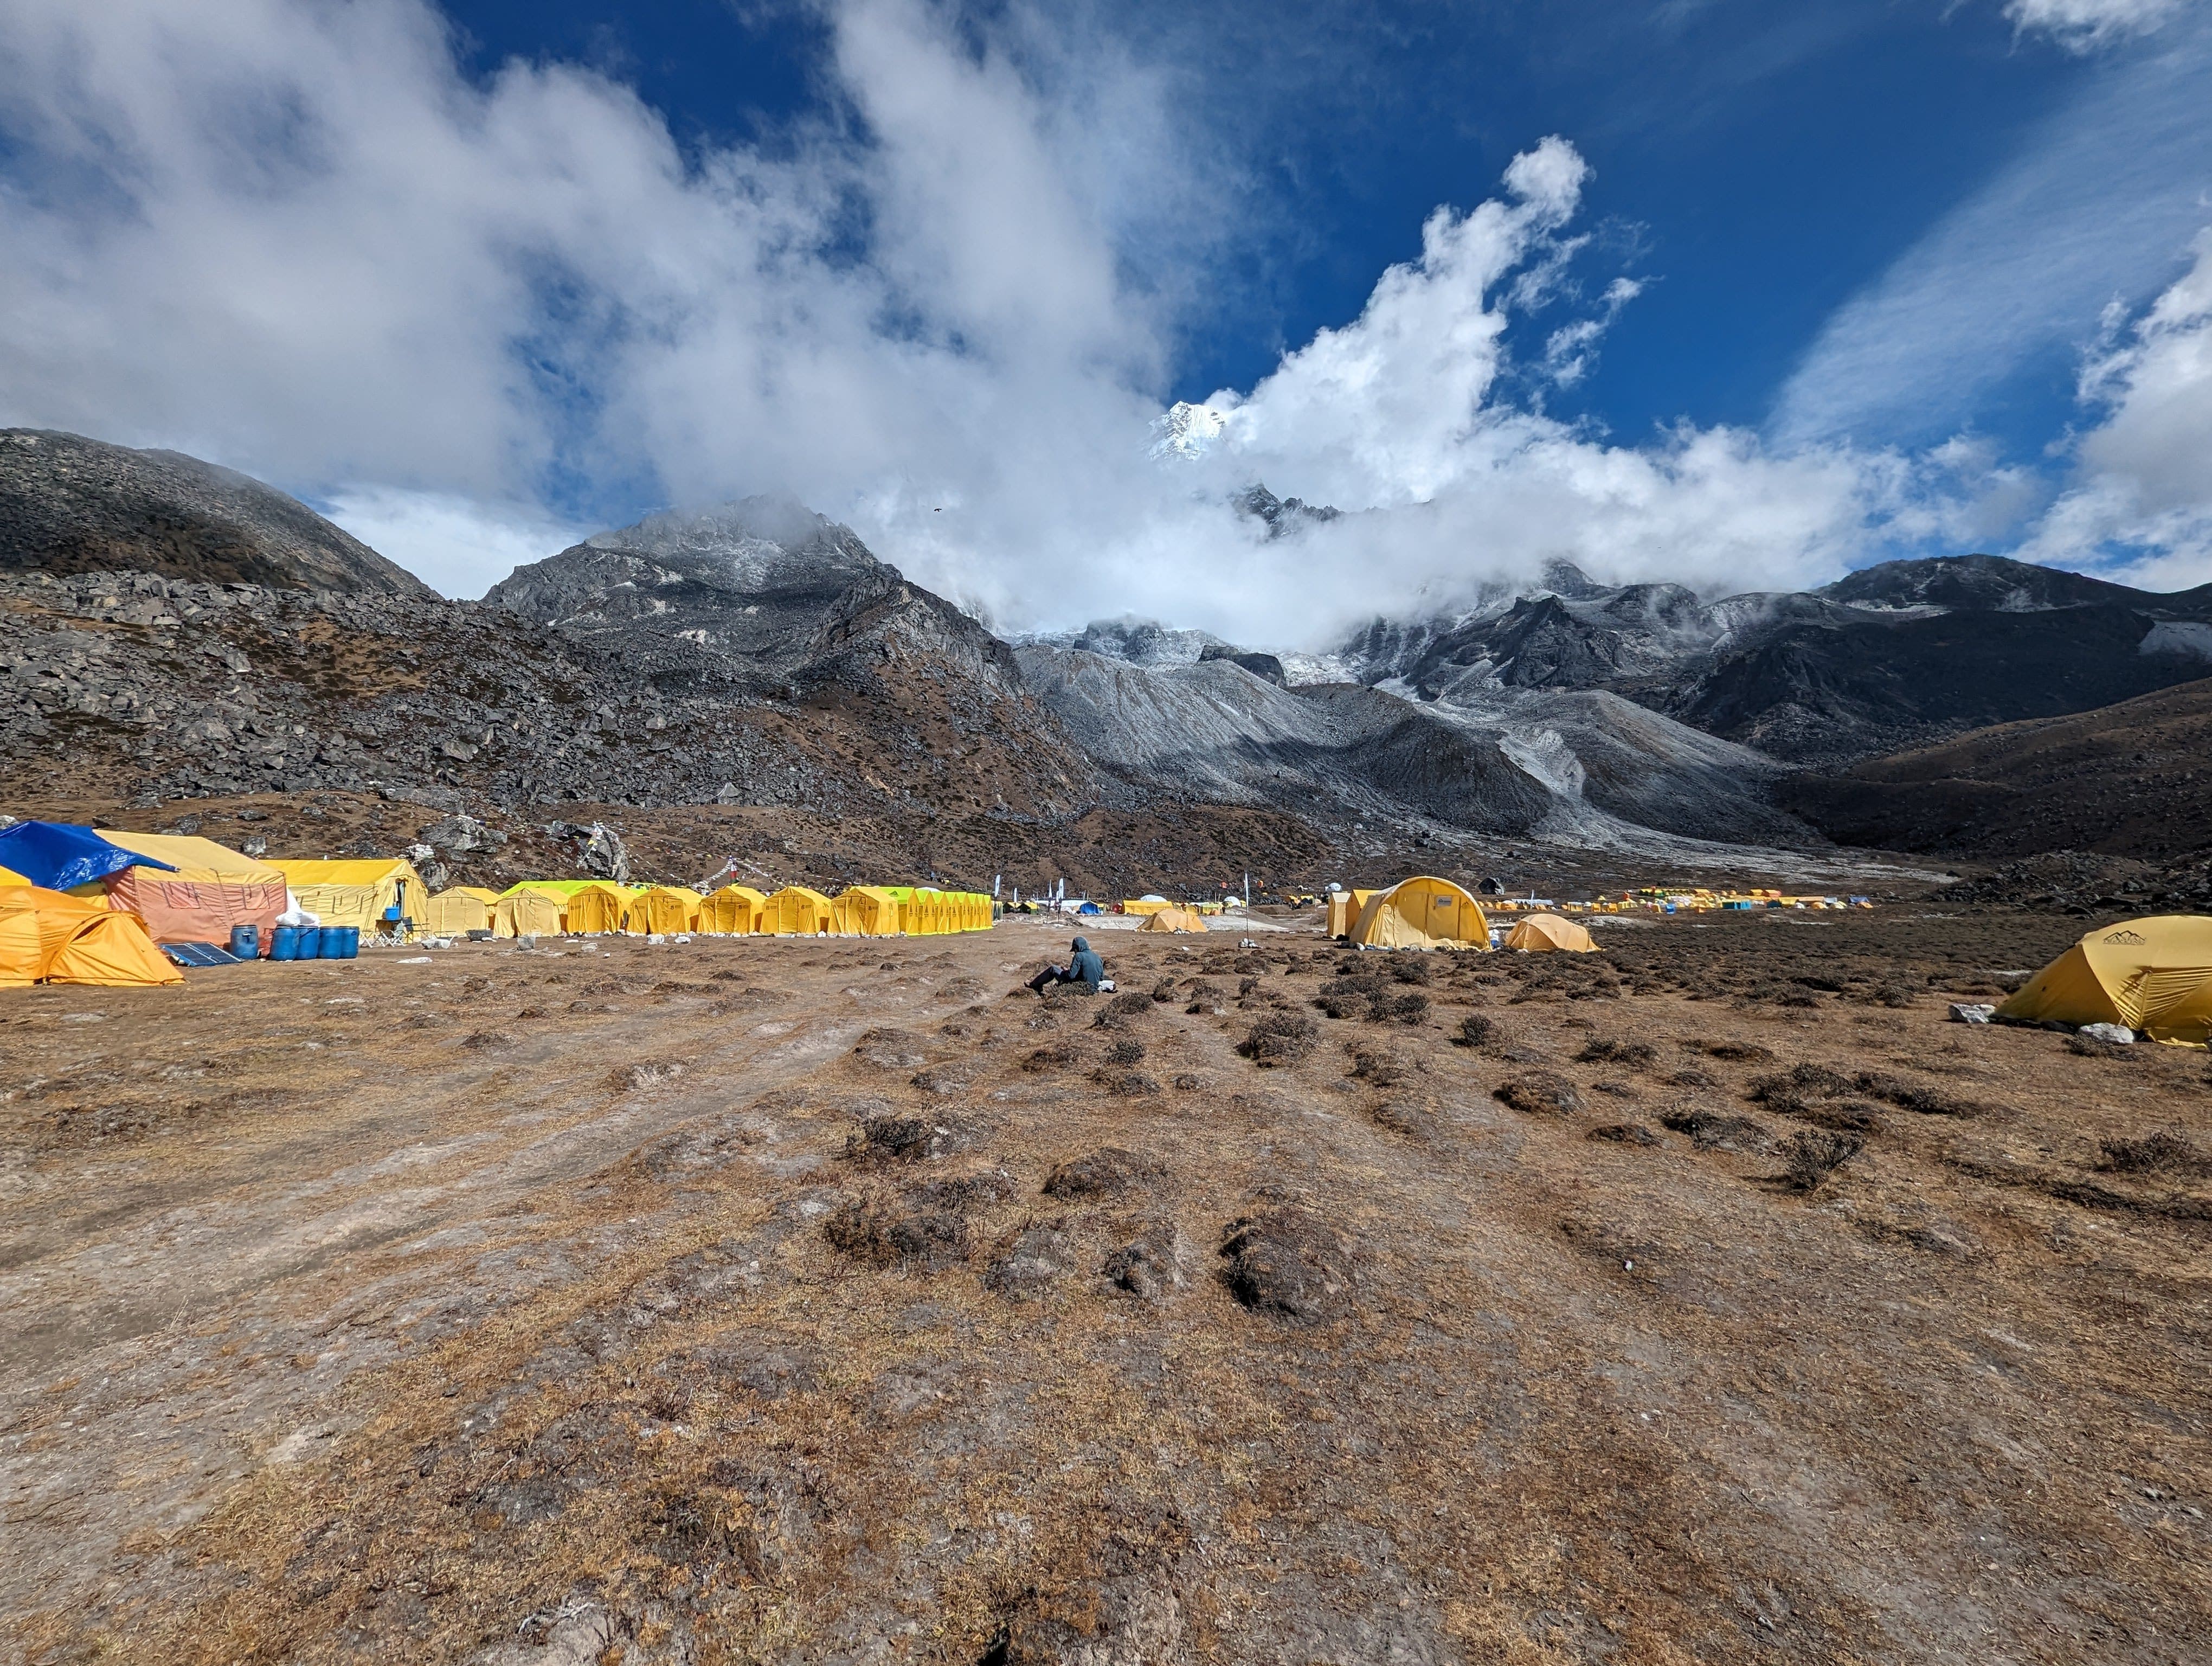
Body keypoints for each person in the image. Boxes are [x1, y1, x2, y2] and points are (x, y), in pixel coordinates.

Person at [1027, 934, 1107, 995]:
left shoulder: (1079, 956)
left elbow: (1071, 976)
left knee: (1053, 969)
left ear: (1077, 948)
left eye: (1075, 950)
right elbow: (1101, 978)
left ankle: (1034, 985)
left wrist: (1066, 972)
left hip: (1081, 988)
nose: (1075, 952)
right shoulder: (1097, 957)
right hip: (1094, 990)